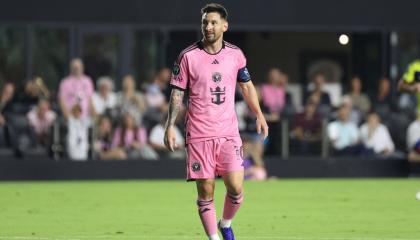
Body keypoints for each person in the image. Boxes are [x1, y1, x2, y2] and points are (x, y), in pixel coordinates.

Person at [163, 4, 268, 240]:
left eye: (212, 22)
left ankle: (226, 223)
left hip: (229, 133)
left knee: (236, 187)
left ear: (224, 26)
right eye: (204, 23)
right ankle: (214, 238)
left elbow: (247, 86)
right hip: (199, 134)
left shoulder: (235, 55)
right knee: (206, 190)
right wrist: (170, 126)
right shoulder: (187, 56)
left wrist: (259, 113)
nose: (208, 27)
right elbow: (177, 93)